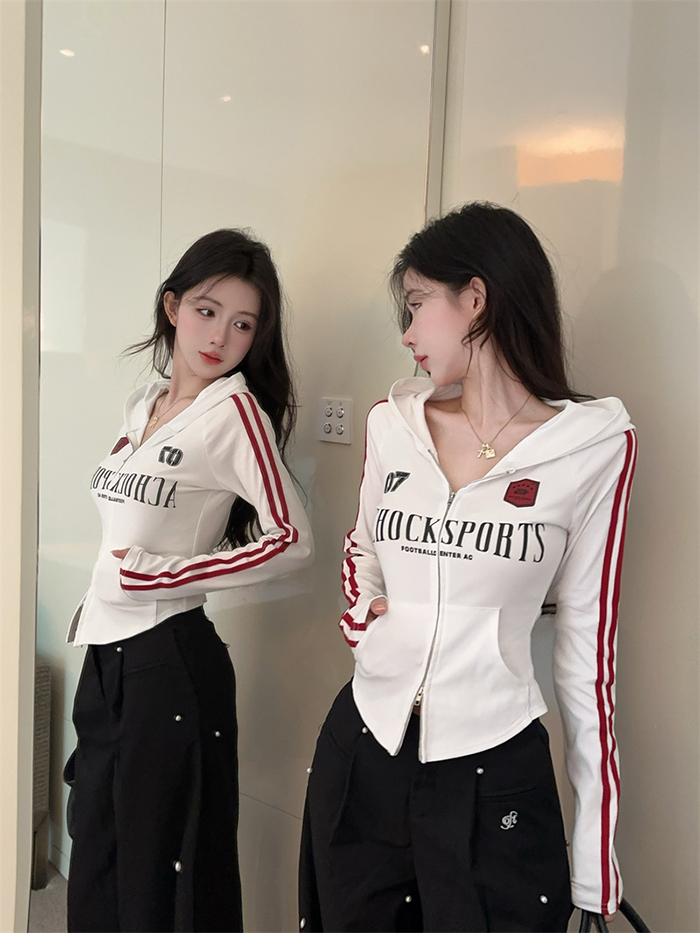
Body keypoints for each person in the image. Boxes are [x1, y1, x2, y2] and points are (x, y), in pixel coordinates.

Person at [299, 202, 636, 932]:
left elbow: (588, 654)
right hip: (366, 746)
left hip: (493, 768)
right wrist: (369, 625)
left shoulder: (591, 449)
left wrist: (595, 861)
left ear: (475, 297)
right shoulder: (392, 425)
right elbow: (362, 552)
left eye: (417, 304)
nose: (407, 333)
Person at [64, 228, 313, 933]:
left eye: (243, 324)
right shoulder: (143, 406)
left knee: (161, 869)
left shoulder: (235, 413)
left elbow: (293, 539)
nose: (221, 336)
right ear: (172, 306)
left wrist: (166, 576)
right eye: (207, 311)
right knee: (98, 848)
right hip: (106, 658)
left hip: (168, 659)